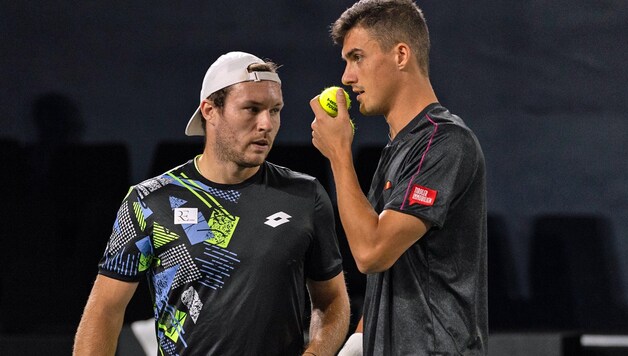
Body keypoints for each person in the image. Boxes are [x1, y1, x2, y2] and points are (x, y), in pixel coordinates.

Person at [74, 51, 350, 356]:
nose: (266, 124)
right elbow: (105, 310)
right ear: (210, 110)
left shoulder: (305, 196)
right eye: (251, 109)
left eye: (275, 110)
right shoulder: (149, 201)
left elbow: (332, 301)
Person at [310, 1, 488, 355]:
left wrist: (339, 154)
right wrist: (356, 346)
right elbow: (388, 277)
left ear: (401, 55)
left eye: (357, 57)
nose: (346, 77)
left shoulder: (446, 142)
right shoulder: (399, 148)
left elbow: (371, 253)